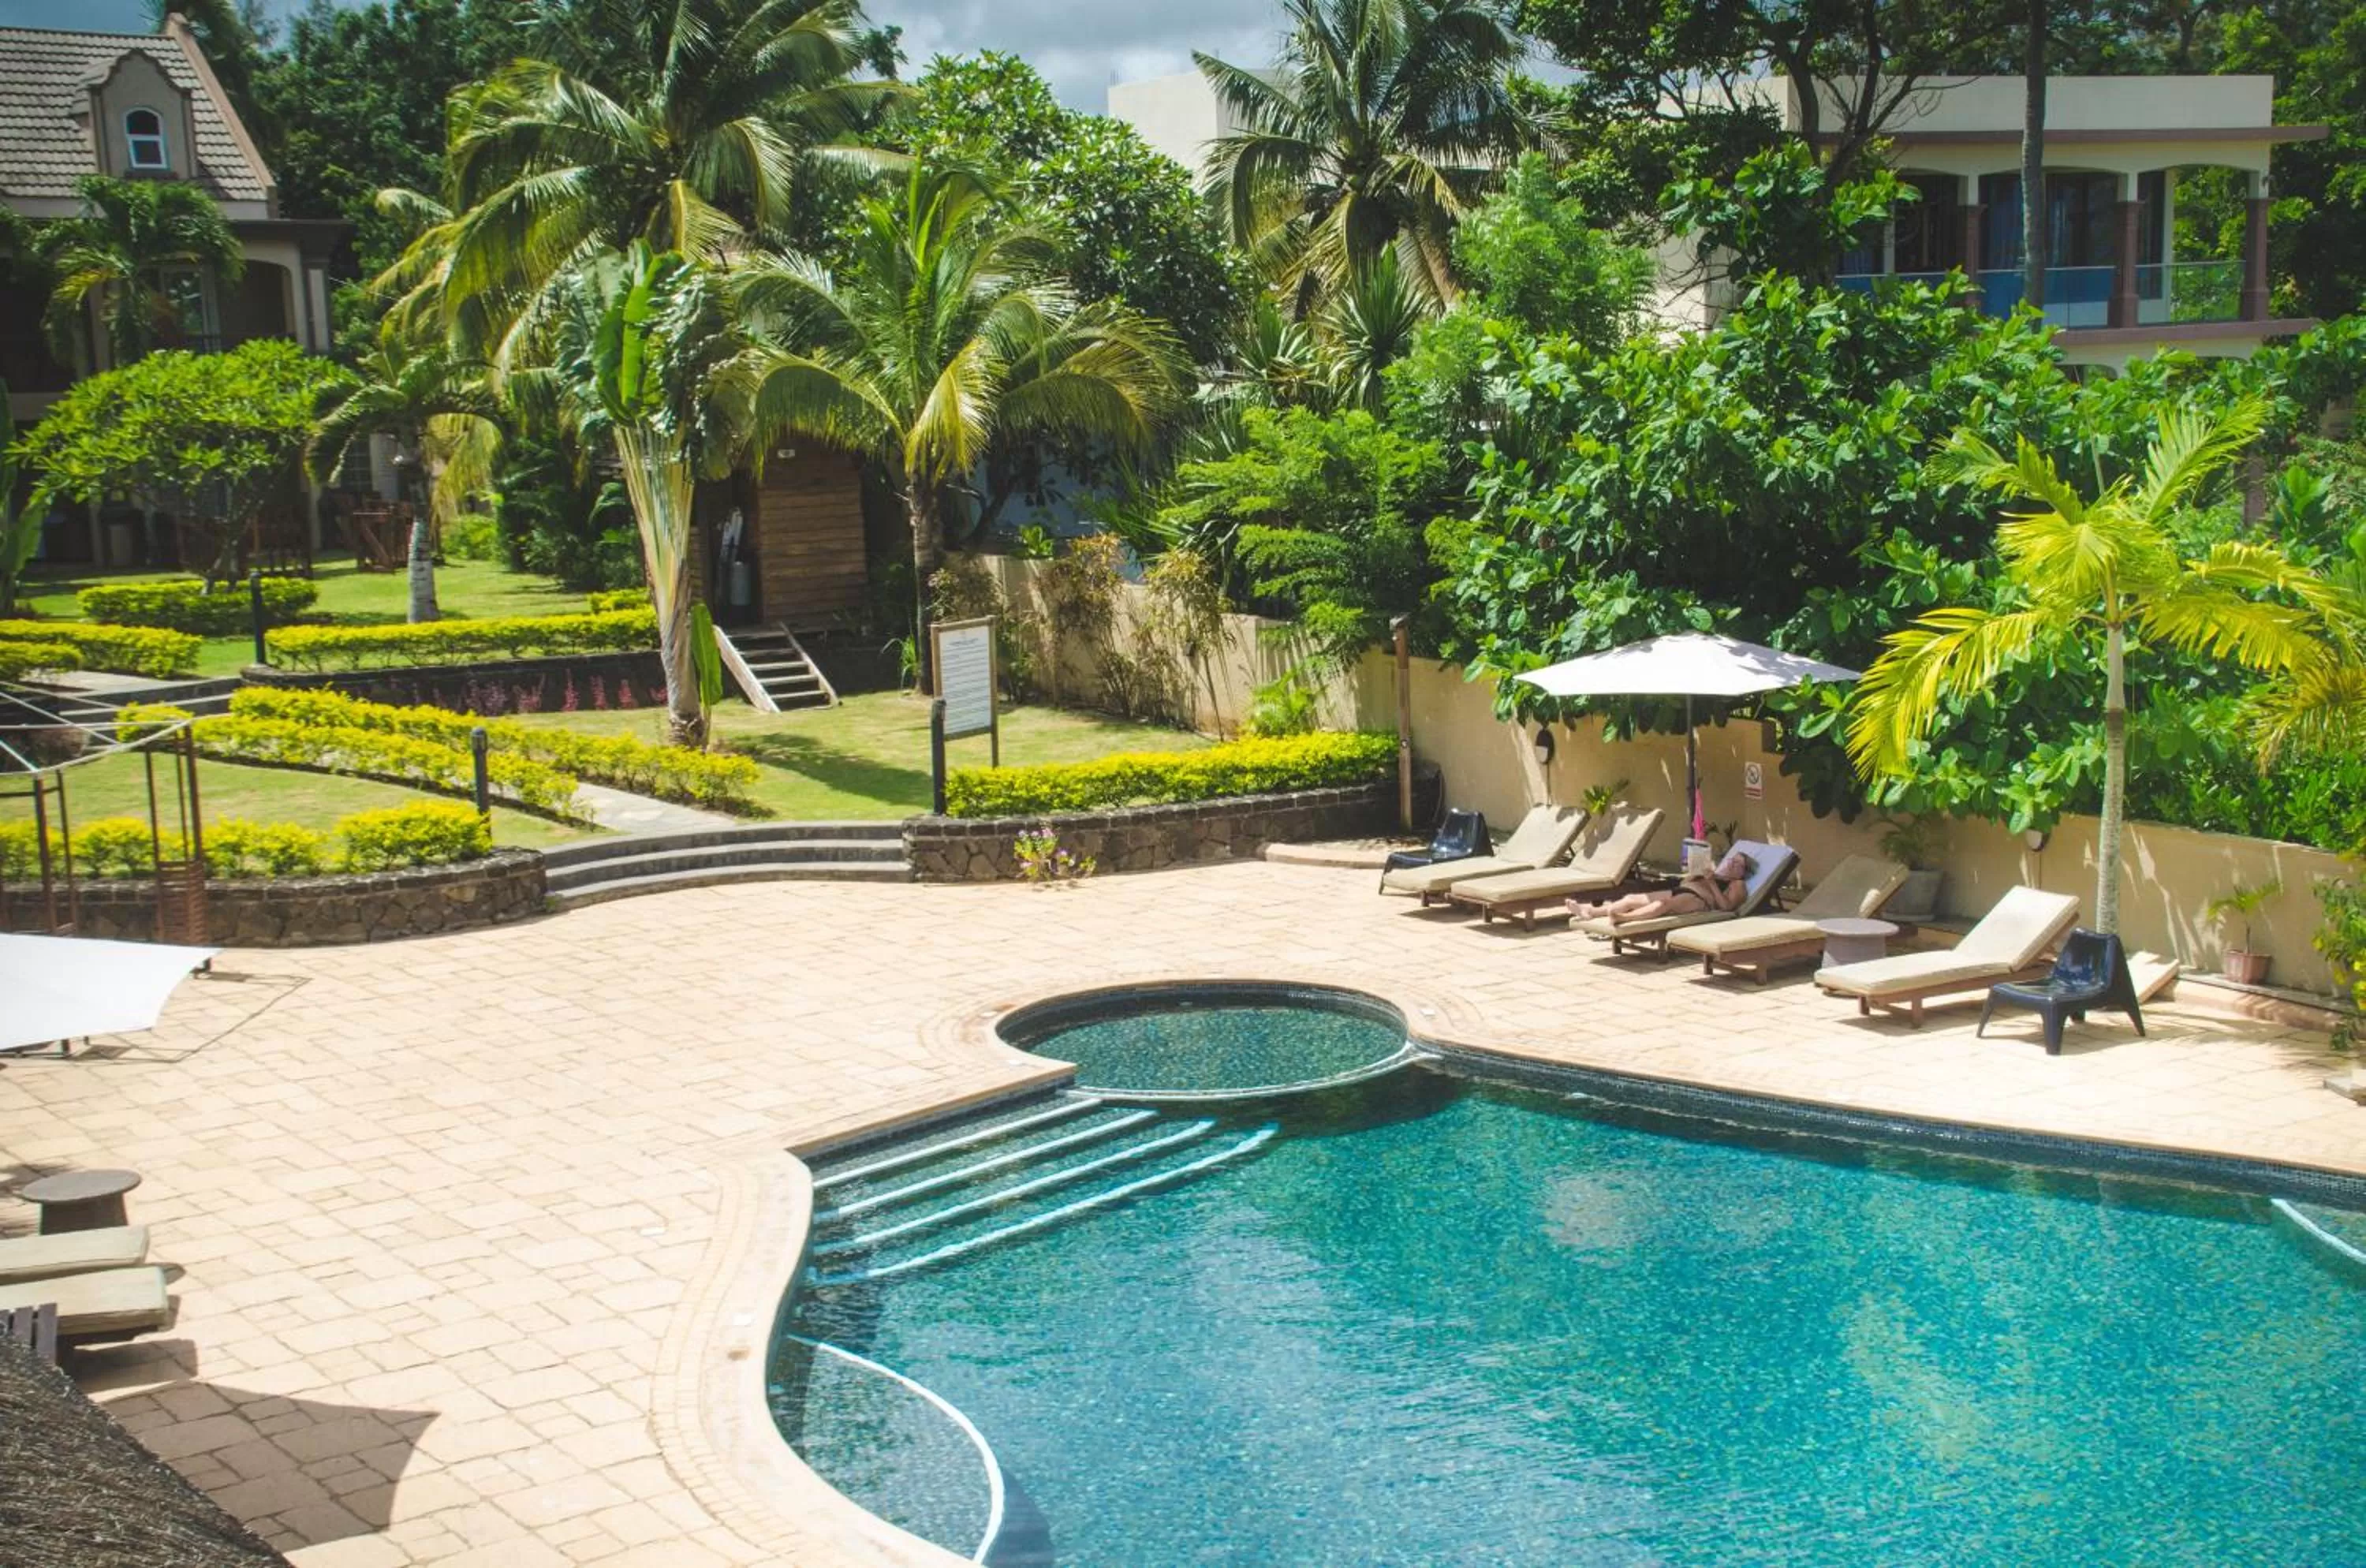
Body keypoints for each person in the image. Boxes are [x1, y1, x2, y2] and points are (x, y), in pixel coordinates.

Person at [1570, 848, 1754, 925]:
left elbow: (1727, 906)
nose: (1732, 865)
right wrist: (1696, 874)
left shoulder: (1738, 885)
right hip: (1682, 890)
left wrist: (1712, 883)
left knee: (1663, 905)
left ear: (1744, 872)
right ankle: (1591, 912)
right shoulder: (1716, 873)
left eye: (1738, 865)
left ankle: (1623, 919)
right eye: (1732, 860)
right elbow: (1684, 882)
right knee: (1631, 899)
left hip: (1699, 901)